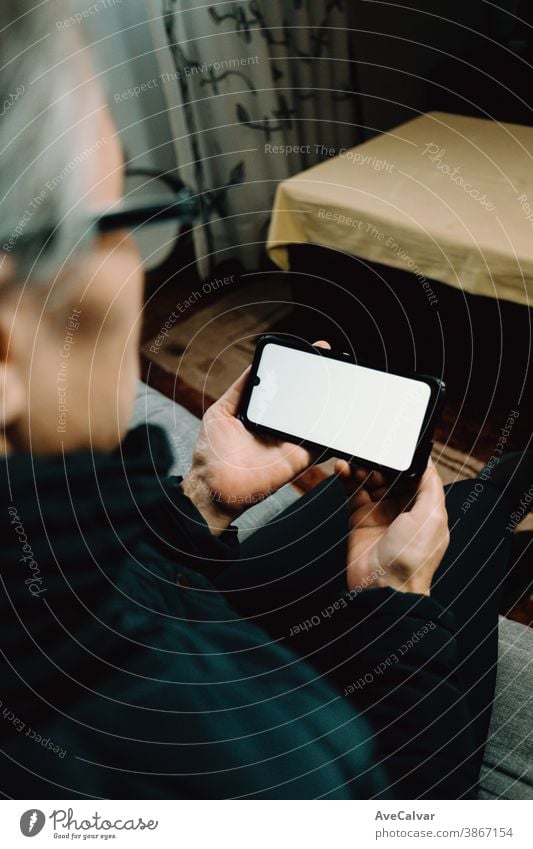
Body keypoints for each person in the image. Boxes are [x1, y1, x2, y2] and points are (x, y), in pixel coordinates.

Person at [0, 0, 528, 799]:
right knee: (470, 515)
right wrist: (396, 599)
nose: (133, 267)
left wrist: (203, 500)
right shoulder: (271, 763)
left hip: (190, 605)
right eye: (120, 218)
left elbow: (89, 601)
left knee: (410, 496)